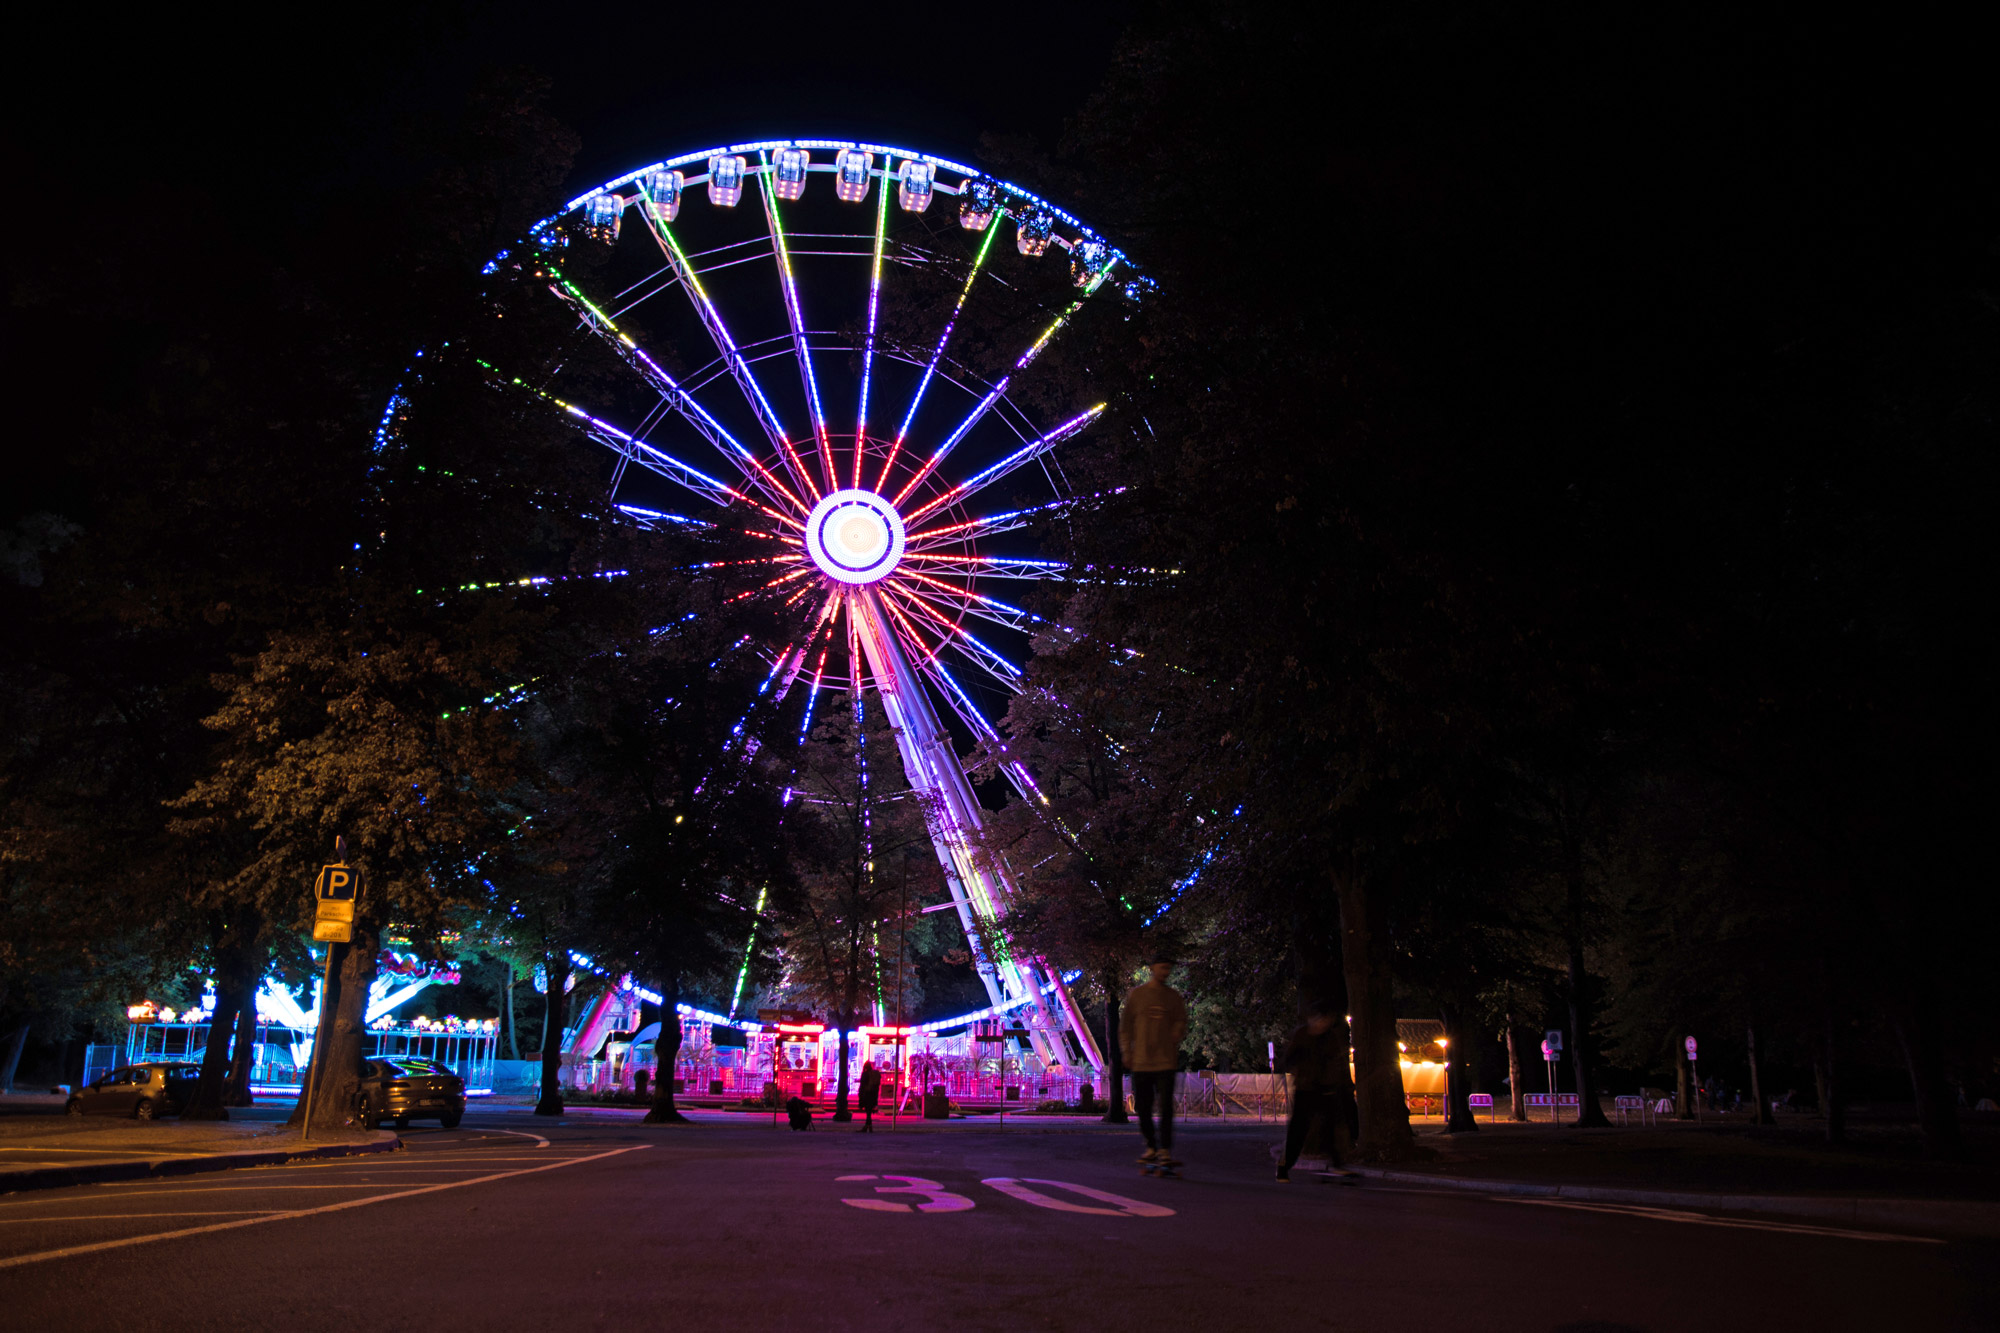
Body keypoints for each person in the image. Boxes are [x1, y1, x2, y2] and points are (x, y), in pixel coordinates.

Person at [1119, 958, 1188, 1168]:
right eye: (1162, 966)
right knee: (1144, 1107)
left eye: (1168, 967)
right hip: (1141, 1061)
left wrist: (1177, 1031)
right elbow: (1126, 1025)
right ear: (1152, 968)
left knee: (1166, 1108)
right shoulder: (1138, 996)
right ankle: (1151, 1145)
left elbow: (1181, 1020)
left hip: (1165, 1061)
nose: (1165, 971)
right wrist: (1127, 1051)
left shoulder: (1173, 997)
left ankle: (1164, 1149)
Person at [1277, 1002, 1353, 1182]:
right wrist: (1297, 1073)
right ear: (1313, 1019)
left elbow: (1336, 1062)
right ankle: (1283, 1167)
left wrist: (1334, 1083)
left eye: (1326, 1021)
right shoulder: (1302, 1036)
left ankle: (1337, 1164)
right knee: (1298, 1131)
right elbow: (1289, 1058)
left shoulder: (1329, 1038)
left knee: (1330, 1127)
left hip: (1325, 1089)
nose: (1323, 1024)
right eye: (1320, 1020)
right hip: (1305, 1089)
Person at [857, 1059, 882, 1133]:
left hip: (866, 1094)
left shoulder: (865, 1074)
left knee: (868, 1111)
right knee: (869, 1111)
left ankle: (868, 1126)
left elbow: (862, 1086)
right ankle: (868, 1126)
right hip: (873, 1094)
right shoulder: (874, 1074)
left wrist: (860, 1096)